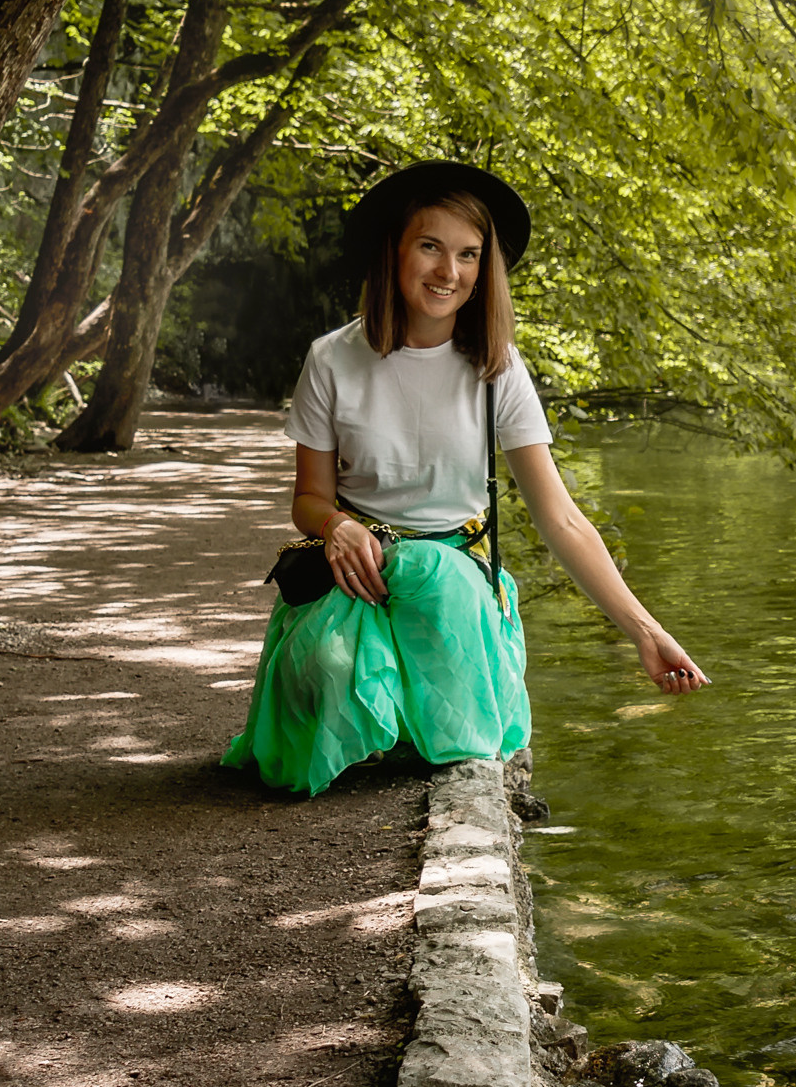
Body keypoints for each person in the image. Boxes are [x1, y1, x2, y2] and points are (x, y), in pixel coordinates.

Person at [223, 160, 705, 796]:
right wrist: (336, 526)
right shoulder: (332, 360)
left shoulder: (496, 369)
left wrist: (646, 631)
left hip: (456, 588)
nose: (448, 271)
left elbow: (561, 518)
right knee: (330, 670)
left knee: (439, 581)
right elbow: (308, 498)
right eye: (430, 247)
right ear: (395, 251)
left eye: (468, 255)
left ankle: (427, 731)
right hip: (358, 573)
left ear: (484, 270)